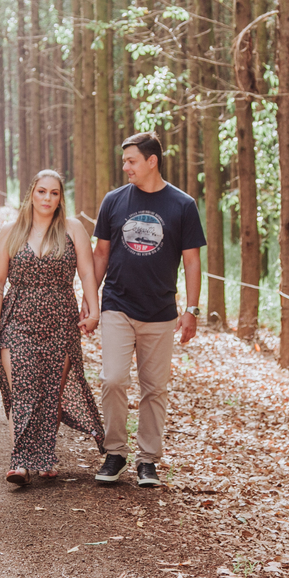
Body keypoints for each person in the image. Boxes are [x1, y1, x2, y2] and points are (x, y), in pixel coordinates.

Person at [85, 131, 206, 488]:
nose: (125, 167)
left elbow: (192, 261)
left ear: (152, 161)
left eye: (131, 161)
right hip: (117, 305)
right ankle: (115, 452)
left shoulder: (183, 205)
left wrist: (192, 309)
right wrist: (90, 300)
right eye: (124, 161)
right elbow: (100, 254)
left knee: (154, 389)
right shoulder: (113, 201)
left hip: (161, 311)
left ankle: (148, 460)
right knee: (113, 379)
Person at [0, 170, 105, 486]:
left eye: (54, 193)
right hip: (18, 320)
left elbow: (88, 273)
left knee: (51, 392)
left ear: (61, 198)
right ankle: (21, 462)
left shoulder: (72, 229)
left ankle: (45, 457)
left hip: (60, 321)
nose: (47, 198)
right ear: (31, 193)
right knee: (23, 390)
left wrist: (93, 309)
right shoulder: (11, 231)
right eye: (42, 191)